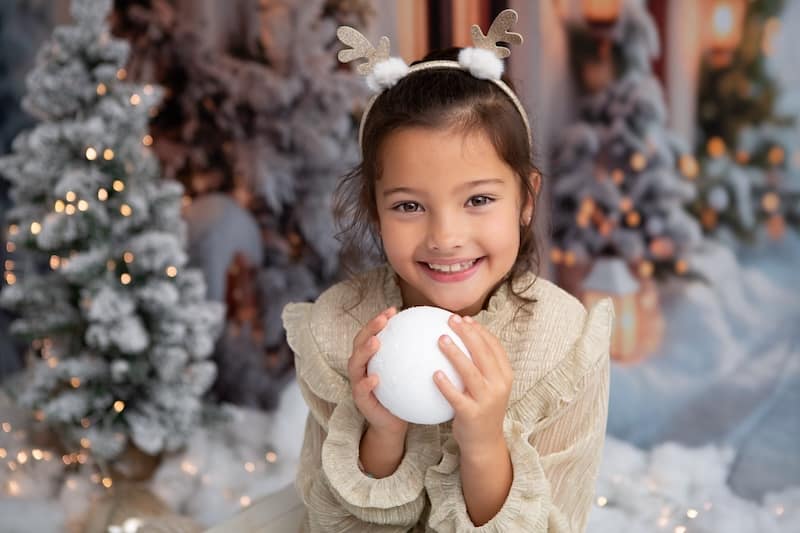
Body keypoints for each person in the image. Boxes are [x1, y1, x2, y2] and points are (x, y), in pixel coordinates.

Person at [282, 10, 613, 532]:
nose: (444, 237)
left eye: (478, 199)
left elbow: (556, 522)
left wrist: (482, 443)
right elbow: (334, 524)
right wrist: (382, 433)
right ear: (375, 210)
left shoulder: (562, 343)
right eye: (409, 206)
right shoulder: (341, 328)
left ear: (526, 200)